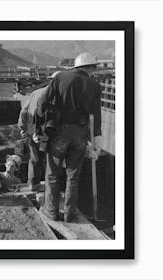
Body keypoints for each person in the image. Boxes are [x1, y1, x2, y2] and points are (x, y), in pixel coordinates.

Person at [38, 53, 102, 223]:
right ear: (90, 68)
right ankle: (69, 214)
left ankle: (51, 211)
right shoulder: (95, 85)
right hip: (81, 134)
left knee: (52, 173)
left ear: (76, 66)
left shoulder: (60, 78)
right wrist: (96, 142)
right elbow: (96, 115)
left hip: (60, 131)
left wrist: (42, 125)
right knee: (73, 176)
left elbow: (43, 102)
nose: (94, 71)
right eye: (94, 67)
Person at [18, 71, 61, 191]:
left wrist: (22, 127)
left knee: (35, 158)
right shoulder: (57, 95)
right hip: (47, 131)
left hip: (32, 129)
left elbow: (24, 110)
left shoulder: (35, 93)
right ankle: (49, 185)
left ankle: (33, 183)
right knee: (50, 159)